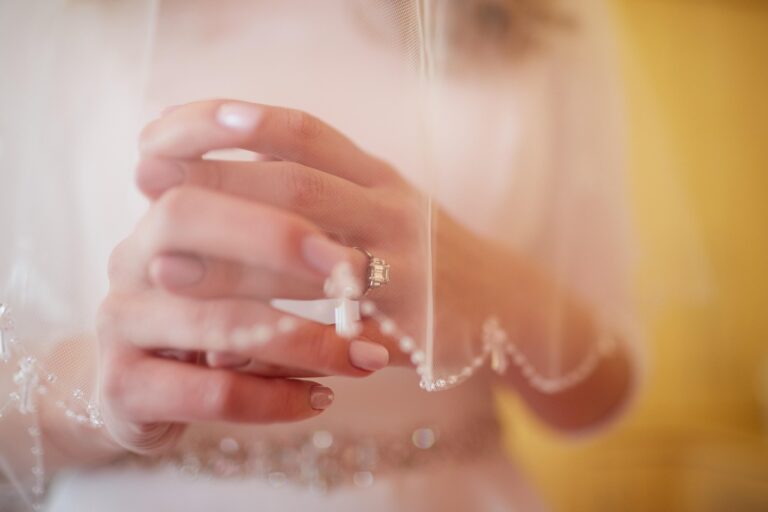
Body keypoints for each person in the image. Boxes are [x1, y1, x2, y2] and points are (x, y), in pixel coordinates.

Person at [0, 1, 639, 510]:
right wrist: (94, 393)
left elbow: (604, 390)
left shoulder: (536, 17)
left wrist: (498, 293)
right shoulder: (47, 19)